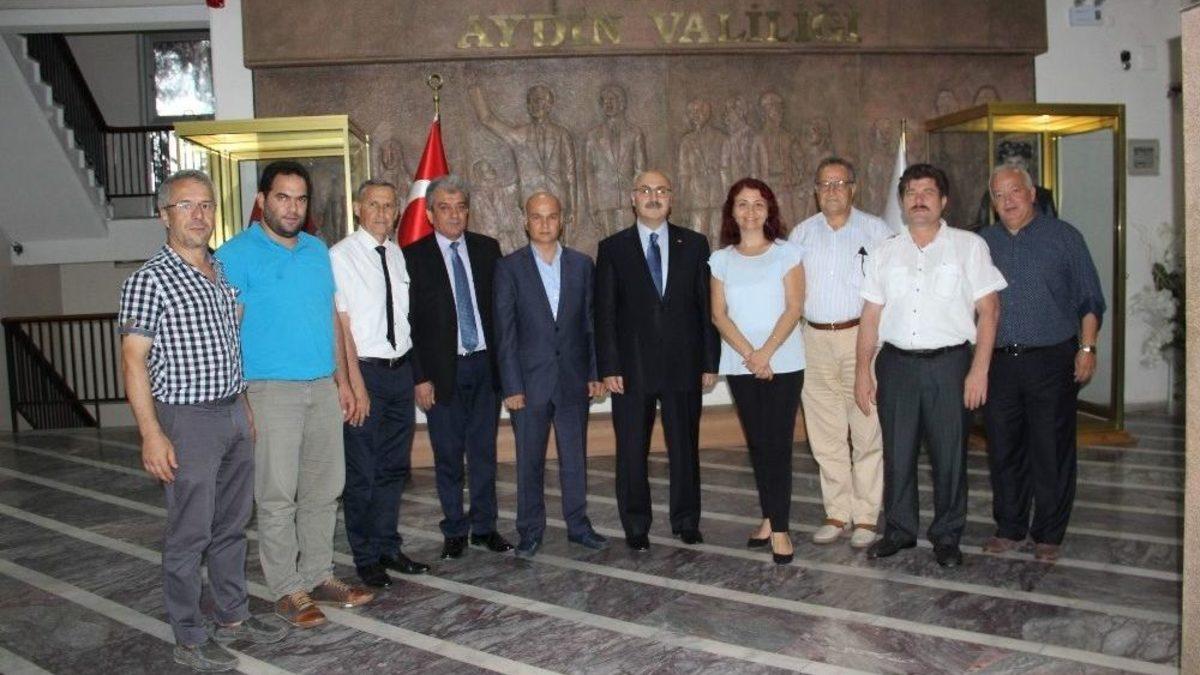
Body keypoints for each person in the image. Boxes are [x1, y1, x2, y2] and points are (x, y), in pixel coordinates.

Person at [120, 169, 287, 672]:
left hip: (233, 411)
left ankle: (233, 614)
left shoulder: (220, 271)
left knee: (232, 524)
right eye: (186, 205)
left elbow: (229, 345)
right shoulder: (149, 280)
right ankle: (189, 634)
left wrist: (245, 407)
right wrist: (151, 434)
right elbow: (133, 361)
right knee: (190, 532)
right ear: (164, 214)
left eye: (207, 205)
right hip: (187, 419)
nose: (199, 215)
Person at [215, 160, 373, 629]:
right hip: (269, 391)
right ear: (262, 200)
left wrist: (343, 381)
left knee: (325, 489)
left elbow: (329, 319)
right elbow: (227, 331)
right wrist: (240, 397)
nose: (292, 208)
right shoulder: (235, 254)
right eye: (282, 197)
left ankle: (319, 575)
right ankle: (287, 588)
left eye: (300, 199)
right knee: (278, 495)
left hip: (321, 386)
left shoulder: (315, 250)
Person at [854, 163, 1007, 568]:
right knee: (897, 453)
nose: (919, 199)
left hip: (949, 366)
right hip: (896, 366)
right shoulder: (885, 251)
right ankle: (899, 530)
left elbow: (989, 311)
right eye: (911, 192)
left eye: (927, 192)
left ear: (943, 200)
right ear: (902, 202)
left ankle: (947, 535)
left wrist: (979, 369)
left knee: (950, 456)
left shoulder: (969, 246)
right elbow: (871, 316)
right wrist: (861, 371)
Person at [979, 164, 1105, 563]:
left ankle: (1049, 532)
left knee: (1051, 449)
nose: (1008, 201)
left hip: (1051, 359)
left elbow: (1090, 298)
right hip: (999, 362)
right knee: (1003, 447)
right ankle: (1010, 527)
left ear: (1032, 193)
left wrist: (1087, 348)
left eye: (1015, 191)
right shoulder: (982, 243)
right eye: (999, 195)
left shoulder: (1065, 237)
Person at [595, 169, 720, 552]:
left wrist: (709, 362)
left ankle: (686, 521)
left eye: (661, 190)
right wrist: (609, 366)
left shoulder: (694, 244)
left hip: (685, 364)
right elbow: (604, 312)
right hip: (630, 369)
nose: (654, 196)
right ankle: (636, 525)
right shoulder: (612, 248)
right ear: (633, 198)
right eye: (646, 190)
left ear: (671, 197)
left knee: (685, 447)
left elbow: (706, 307)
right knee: (632, 450)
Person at [493, 192, 610, 558]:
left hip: (573, 379)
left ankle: (579, 526)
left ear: (563, 220)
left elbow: (591, 324)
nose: (545, 224)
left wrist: (595, 372)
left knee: (575, 458)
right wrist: (511, 385)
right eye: (537, 217)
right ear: (526, 222)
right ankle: (530, 530)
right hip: (529, 385)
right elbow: (505, 332)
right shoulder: (509, 268)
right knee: (529, 460)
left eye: (552, 216)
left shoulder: (582, 265)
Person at [403, 174, 514, 559]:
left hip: (484, 367)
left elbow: (502, 311)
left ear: (468, 212)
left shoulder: (488, 249)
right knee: (448, 455)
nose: (454, 215)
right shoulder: (413, 256)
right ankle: (454, 529)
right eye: (445, 208)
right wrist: (420, 377)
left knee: (484, 453)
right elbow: (409, 323)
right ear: (430, 214)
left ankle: (484, 527)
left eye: (460, 208)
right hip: (441, 373)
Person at [330, 179, 430, 589]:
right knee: (363, 471)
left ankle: (388, 546)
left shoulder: (397, 255)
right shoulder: (340, 256)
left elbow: (404, 321)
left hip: (399, 372)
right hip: (365, 373)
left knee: (393, 467)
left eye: (389, 206)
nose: (382, 213)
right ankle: (366, 556)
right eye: (374, 204)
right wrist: (354, 384)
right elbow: (342, 326)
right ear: (358, 208)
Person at [789, 157, 892, 549]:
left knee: (866, 428)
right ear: (816, 191)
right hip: (813, 339)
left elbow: (891, 290)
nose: (832, 191)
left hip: (860, 338)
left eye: (839, 183)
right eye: (824, 184)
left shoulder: (877, 231)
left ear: (853, 188)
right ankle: (837, 511)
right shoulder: (801, 234)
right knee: (825, 432)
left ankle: (865, 515)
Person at [709, 178, 805, 565]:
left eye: (759, 204)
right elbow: (719, 314)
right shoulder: (721, 260)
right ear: (731, 212)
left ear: (770, 210)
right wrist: (751, 355)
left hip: (785, 361)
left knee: (777, 444)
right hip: (740, 363)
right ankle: (770, 516)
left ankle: (780, 528)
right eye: (743, 204)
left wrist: (766, 353)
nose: (751, 211)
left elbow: (794, 307)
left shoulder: (787, 253)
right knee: (758, 443)